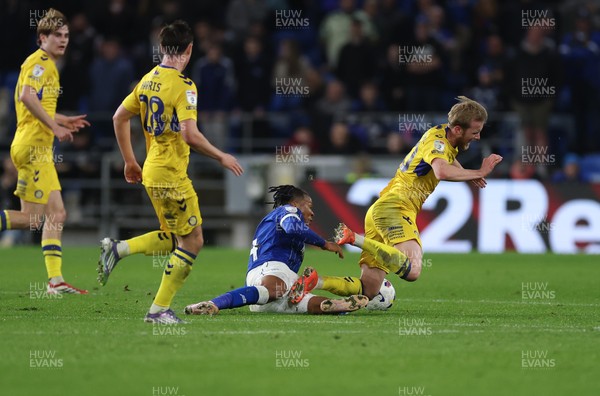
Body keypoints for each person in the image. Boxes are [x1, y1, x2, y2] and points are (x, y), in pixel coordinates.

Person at [99, 20, 244, 324]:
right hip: (170, 174)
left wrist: (130, 160)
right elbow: (190, 134)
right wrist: (221, 156)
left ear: (162, 48)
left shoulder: (147, 79)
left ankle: (119, 248)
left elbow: (118, 117)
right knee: (193, 242)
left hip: (152, 169)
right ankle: (157, 310)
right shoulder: (184, 85)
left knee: (174, 236)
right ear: (189, 49)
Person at [290, 97, 502, 301]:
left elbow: (448, 158)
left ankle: (314, 282)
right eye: (475, 132)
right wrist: (479, 171)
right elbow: (441, 171)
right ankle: (354, 238)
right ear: (458, 129)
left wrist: (468, 174)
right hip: (396, 208)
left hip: (380, 211)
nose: (478, 137)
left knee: (370, 288)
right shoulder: (438, 144)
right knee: (413, 270)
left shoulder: (440, 134)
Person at [0, 9, 90, 294]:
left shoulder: (42, 63)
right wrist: (55, 126)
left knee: (55, 215)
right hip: (34, 148)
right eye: (57, 36)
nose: (63, 41)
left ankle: (55, 281)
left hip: (32, 146)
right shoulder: (41, 63)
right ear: (42, 38)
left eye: (66, 36)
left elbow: (34, 105)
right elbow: (27, 97)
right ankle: (55, 281)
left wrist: (63, 120)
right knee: (35, 220)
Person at [184, 185, 368, 315]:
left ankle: (335, 306)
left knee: (305, 304)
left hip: (269, 289)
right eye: (309, 206)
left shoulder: (285, 219)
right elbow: (291, 227)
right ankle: (212, 304)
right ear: (296, 204)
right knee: (276, 290)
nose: (312, 213)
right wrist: (324, 243)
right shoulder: (287, 210)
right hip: (270, 269)